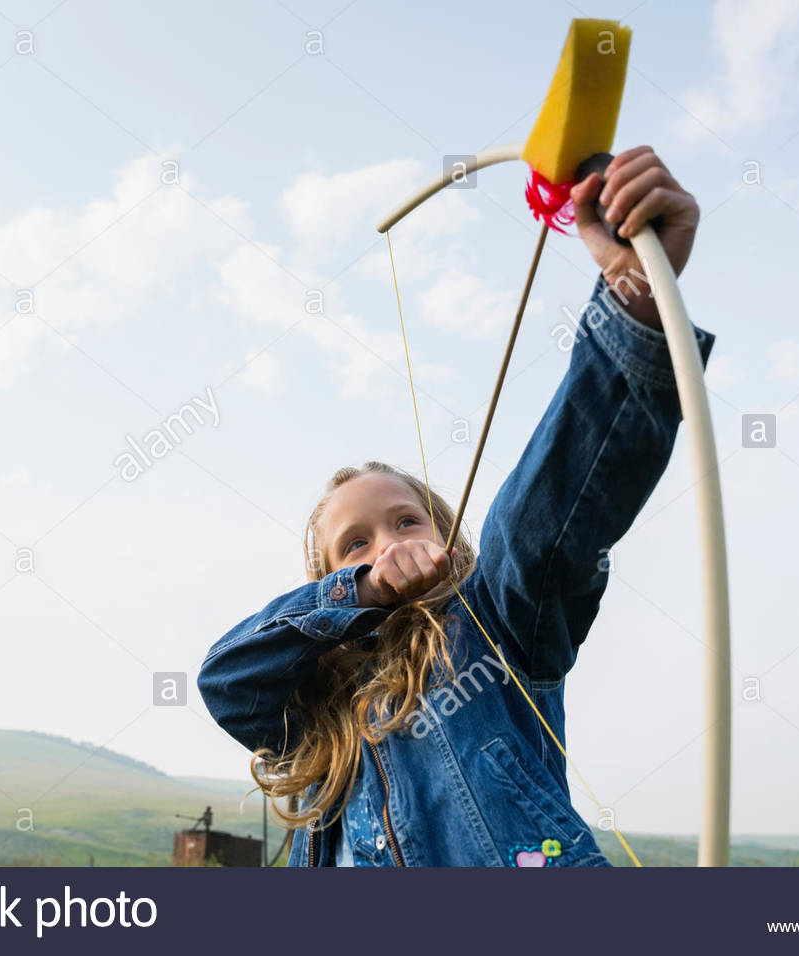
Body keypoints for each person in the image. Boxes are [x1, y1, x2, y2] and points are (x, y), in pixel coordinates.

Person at [198, 147, 715, 866]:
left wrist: (633, 287)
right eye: (354, 545)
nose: (385, 546)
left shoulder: (494, 621)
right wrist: (364, 593)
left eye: (406, 521)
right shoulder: (322, 719)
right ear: (326, 586)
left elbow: (543, 520)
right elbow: (225, 679)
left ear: (445, 538)